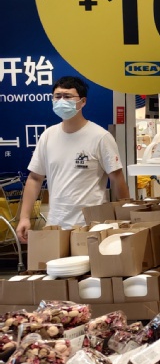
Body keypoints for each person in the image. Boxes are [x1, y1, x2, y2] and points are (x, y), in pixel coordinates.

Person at [16, 75, 128, 241]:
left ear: (83, 102)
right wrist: (24, 217)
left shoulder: (100, 137)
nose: (62, 101)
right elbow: (35, 178)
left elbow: (117, 178)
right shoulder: (48, 136)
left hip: (91, 226)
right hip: (55, 225)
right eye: (57, 96)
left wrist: (125, 217)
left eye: (67, 96)